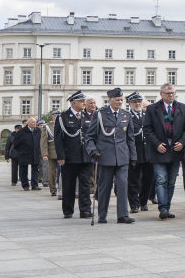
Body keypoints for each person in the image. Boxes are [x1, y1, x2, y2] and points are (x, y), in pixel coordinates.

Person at [86, 88, 137, 224]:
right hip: (105, 156)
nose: (120, 102)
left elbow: (130, 138)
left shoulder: (126, 115)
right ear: (110, 100)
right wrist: (93, 150)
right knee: (104, 187)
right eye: (117, 100)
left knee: (122, 186)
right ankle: (102, 215)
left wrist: (133, 156)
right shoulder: (100, 114)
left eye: (121, 99)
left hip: (122, 156)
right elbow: (89, 137)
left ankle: (123, 215)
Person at [143, 83, 185, 220]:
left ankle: (167, 207)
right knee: (161, 180)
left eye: (173, 93)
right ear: (161, 94)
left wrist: (182, 142)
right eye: (168, 93)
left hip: (175, 150)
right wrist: (157, 144)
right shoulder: (152, 109)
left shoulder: (182, 108)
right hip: (159, 150)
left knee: (171, 182)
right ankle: (162, 208)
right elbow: (147, 129)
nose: (171, 95)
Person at [54, 91, 94, 219]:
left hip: (85, 156)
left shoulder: (88, 116)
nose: (84, 103)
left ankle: (85, 210)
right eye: (82, 101)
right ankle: (68, 210)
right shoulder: (63, 117)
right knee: (68, 185)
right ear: (73, 103)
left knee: (85, 185)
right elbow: (58, 139)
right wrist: (60, 156)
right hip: (69, 157)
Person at [126, 92, 154, 213]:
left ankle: (143, 202)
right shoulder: (127, 116)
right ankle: (134, 204)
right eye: (134, 102)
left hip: (148, 153)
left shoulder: (147, 115)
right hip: (134, 152)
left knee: (148, 179)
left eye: (139, 101)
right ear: (130, 104)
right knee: (133, 180)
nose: (137, 104)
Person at [10, 117, 42, 190]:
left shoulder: (38, 131)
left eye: (35, 122)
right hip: (24, 153)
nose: (34, 124)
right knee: (23, 169)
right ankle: (25, 185)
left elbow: (41, 141)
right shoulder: (22, 131)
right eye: (33, 122)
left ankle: (34, 185)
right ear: (28, 123)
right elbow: (15, 143)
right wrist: (21, 150)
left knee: (35, 169)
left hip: (35, 153)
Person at [38, 117, 60, 198]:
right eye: (56, 115)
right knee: (52, 172)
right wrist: (44, 154)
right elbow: (43, 141)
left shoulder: (64, 124)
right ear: (53, 117)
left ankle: (62, 189)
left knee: (64, 172)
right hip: (52, 152)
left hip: (63, 152)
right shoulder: (47, 126)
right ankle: (53, 190)